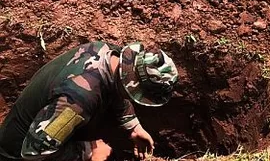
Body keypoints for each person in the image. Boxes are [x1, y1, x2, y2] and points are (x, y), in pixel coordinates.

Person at [0, 41, 179, 161]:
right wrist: (88, 151)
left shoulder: (108, 54)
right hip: (16, 153)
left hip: (47, 128)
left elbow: (118, 87)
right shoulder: (77, 100)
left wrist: (133, 126)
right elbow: (34, 151)